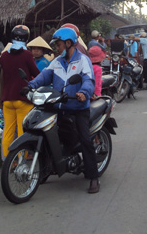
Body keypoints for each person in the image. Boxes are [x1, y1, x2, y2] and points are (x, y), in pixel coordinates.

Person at [26, 27, 99, 193]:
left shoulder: (83, 60)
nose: (56, 48)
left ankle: (93, 177)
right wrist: (30, 86)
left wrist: (84, 92)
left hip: (78, 108)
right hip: (58, 107)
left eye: (58, 45)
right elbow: (44, 75)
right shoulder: (57, 61)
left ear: (68, 43)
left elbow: (88, 80)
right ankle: (47, 167)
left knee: (86, 140)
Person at [0, 25, 40, 160]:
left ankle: (7, 161)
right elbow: (36, 74)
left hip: (7, 100)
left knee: (8, 132)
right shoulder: (27, 54)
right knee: (23, 132)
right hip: (23, 99)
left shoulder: (4, 56)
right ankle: (23, 158)